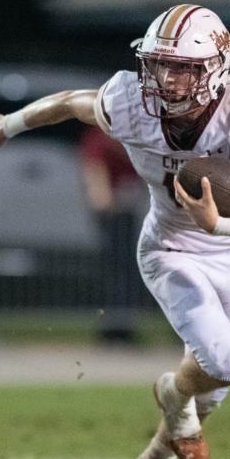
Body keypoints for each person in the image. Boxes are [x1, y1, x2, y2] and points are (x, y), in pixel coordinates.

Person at [0, 4, 230, 459]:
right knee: (222, 360)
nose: (168, 79)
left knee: (214, 387)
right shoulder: (129, 101)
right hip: (169, 247)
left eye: (184, 67)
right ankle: (173, 397)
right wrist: (8, 125)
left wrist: (222, 225)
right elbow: (70, 103)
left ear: (215, 67)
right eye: (160, 64)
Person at [77, 125, 144, 343]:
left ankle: (122, 327)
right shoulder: (99, 140)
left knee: (125, 271)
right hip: (111, 216)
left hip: (126, 214)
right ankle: (113, 329)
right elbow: (97, 182)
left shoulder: (134, 136)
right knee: (114, 272)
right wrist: (105, 199)